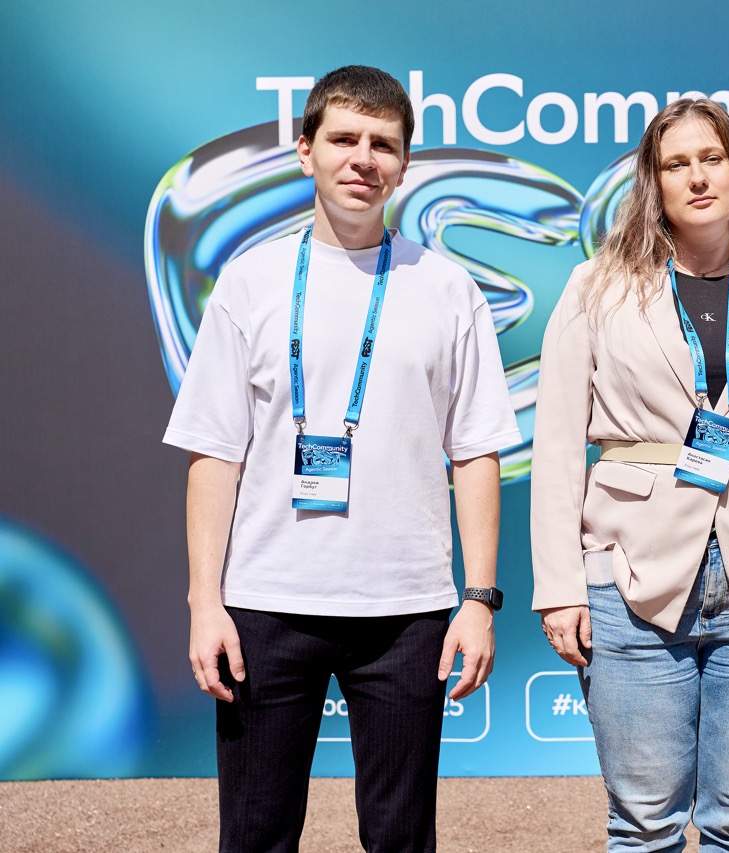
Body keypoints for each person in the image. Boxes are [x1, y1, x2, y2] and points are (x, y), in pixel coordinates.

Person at [163, 65, 520, 852]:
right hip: (264, 605)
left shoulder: (447, 288)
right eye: (345, 139)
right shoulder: (249, 282)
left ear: (405, 163)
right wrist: (204, 601)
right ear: (306, 150)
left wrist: (479, 598)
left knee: (400, 836)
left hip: (405, 613)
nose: (364, 159)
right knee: (255, 833)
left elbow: (476, 451)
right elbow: (214, 454)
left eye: (383, 144)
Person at [530, 98, 729, 851]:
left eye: (712, 158)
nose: (698, 177)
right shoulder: (596, 286)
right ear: (655, 183)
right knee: (644, 823)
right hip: (629, 576)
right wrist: (560, 588)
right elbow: (557, 448)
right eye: (677, 164)